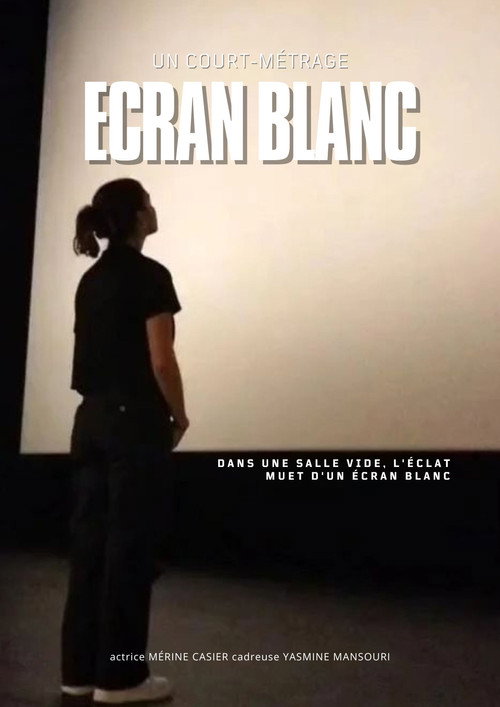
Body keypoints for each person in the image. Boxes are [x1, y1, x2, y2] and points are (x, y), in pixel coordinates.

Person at [60, 178, 189, 703]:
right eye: (149, 204)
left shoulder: (90, 279)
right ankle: (121, 679)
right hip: (133, 423)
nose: (155, 210)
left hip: (89, 421)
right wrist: (178, 414)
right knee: (130, 549)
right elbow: (161, 359)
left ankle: (78, 673)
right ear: (137, 217)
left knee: (89, 549)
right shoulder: (151, 275)